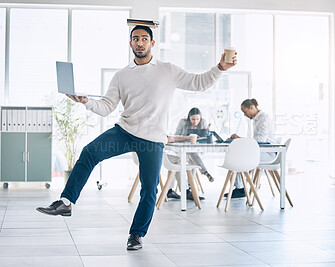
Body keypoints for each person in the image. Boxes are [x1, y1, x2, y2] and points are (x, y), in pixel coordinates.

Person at [36, 25, 236, 250]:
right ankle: (66, 202)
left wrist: (220, 67)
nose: (139, 43)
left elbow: (199, 83)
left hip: (153, 139)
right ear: (130, 44)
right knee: (90, 152)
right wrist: (86, 102)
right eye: (135, 39)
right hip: (125, 132)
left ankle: (136, 235)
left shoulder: (167, 70)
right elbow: (107, 106)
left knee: (150, 189)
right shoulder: (122, 75)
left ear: (152, 43)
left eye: (144, 39)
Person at [225, 98, 277, 198]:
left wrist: (240, 139)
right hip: (261, 151)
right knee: (236, 154)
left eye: (245, 112)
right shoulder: (257, 119)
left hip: (268, 154)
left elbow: (261, 139)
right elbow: (256, 140)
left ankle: (240, 188)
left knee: (238, 156)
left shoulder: (264, 119)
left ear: (252, 107)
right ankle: (240, 187)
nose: (244, 115)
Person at [166, 107, 214, 200]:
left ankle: (188, 189)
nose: (195, 121)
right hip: (181, 151)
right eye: (193, 119)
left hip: (196, 151)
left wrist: (205, 133)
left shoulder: (203, 122)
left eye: (197, 119)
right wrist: (187, 138)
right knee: (192, 156)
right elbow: (175, 136)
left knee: (193, 156)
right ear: (189, 118)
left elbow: (204, 138)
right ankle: (204, 172)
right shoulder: (183, 122)